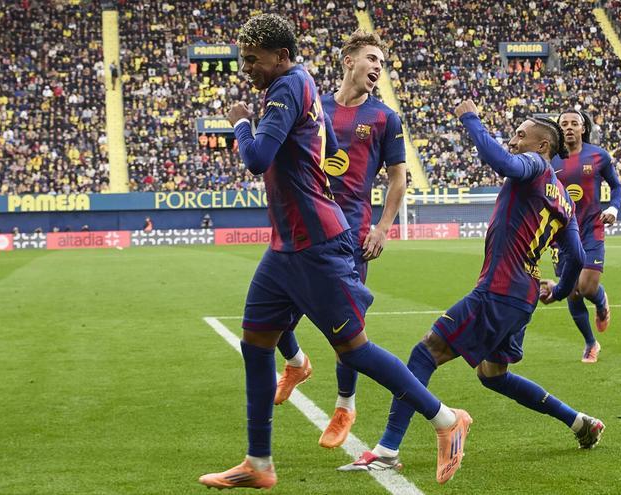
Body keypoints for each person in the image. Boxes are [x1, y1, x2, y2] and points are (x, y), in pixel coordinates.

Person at [198, 14, 471, 490]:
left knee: (355, 350)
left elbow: (257, 158)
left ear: (280, 56)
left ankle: (446, 419)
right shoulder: (299, 88)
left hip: (317, 245)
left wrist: (241, 122)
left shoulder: (289, 87)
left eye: (252, 59)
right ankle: (258, 462)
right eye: (243, 58)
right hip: (288, 245)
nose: (246, 67)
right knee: (256, 342)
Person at [339, 100, 604, 473]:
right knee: (493, 375)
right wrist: (559, 290)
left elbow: (504, 163)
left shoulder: (534, 166)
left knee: (425, 351)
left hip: (499, 289)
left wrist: (469, 117)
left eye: (521, 135)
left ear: (543, 145)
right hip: (523, 296)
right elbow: (576, 255)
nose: (513, 140)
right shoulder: (563, 198)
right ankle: (580, 423)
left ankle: (386, 451)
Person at [271, 29, 408, 450]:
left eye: (382, 63)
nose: (378, 67)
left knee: (346, 333)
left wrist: (383, 227)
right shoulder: (315, 106)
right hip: (303, 226)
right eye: (371, 58)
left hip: (350, 236)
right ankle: (296, 363)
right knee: (270, 314)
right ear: (348, 61)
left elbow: (398, 177)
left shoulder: (385, 118)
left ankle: (345, 405)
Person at [553, 109, 621, 363]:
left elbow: (616, 186)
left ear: (583, 128)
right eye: (564, 124)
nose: (569, 127)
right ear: (558, 130)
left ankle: (601, 300)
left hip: (591, 228)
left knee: (587, 287)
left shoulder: (598, 156)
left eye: (575, 123)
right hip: (560, 234)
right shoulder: (549, 159)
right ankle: (591, 343)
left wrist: (613, 208)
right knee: (572, 291)